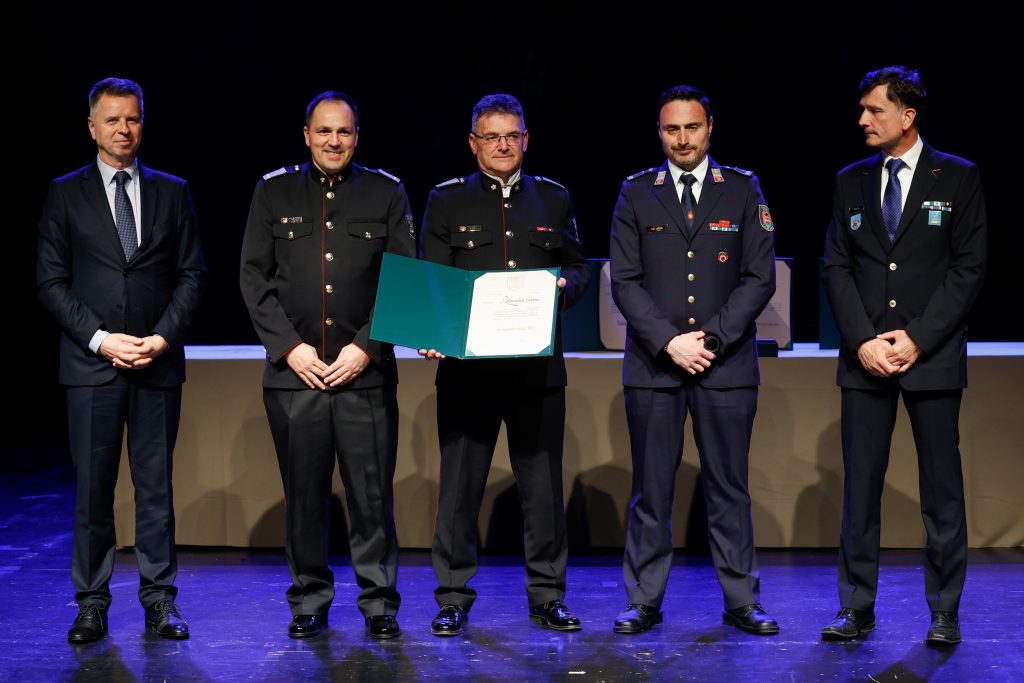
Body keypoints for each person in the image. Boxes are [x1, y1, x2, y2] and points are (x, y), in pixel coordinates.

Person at [239, 91, 416, 640]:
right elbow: (253, 279)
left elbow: (403, 279)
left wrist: (366, 347)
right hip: (296, 377)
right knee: (304, 498)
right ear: (307, 135)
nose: (333, 141)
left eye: (343, 131)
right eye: (324, 131)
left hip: (366, 374)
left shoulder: (386, 191)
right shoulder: (273, 191)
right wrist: (290, 348)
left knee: (371, 496)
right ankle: (309, 599)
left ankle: (379, 602)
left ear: (356, 136)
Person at [821, 66, 987, 646]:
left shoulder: (958, 176)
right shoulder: (850, 181)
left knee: (942, 491)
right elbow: (835, 267)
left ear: (907, 116)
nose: (863, 120)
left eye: (875, 110)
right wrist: (862, 340)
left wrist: (917, 337)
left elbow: (969, 268)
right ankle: (855, 608)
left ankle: (944, 612)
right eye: (863, 110)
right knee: (860, 489)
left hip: (931, 359)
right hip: (864, 360)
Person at [37, 77, 206, 643]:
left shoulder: (172, 191)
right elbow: (51, 281)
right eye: (112, 120)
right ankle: (91, 603)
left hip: (157, 364)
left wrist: (161, 338)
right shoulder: (65, 193)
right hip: (92, 367)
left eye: (132, 118)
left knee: (155, 489)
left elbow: (191, 274)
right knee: (94, 491)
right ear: (92, 127)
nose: (123, 129)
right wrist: (100, 339)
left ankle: (160, 602)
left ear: (142, 123)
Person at [609, 85, 778, 635]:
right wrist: (669, 342)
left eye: (692, 127)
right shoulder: (637, 192)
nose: (682, 139)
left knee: (729, 487)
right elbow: (624, 281)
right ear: (660, 132)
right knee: (651, 489)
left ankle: (741, 600)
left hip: (725, 365)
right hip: (654, 367)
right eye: (671, 129)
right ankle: (643, 599)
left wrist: (710, 339)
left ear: (710, 128)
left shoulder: (743, 189)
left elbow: (759, 278)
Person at [419, 94, 588, 636]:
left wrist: (563, 287)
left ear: (525, 140)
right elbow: (433, 278)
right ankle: (452, 598)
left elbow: (578, 267)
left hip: (537, 374)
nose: (502, 145)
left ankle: (547, 597)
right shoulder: (447, 200)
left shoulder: (554, 198)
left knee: (542, 492)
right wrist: (431, 331)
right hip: (467, 375)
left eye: (511, 136)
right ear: (474, 144)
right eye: (492, 137)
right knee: (459, 491)